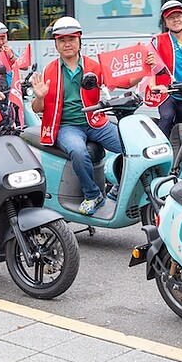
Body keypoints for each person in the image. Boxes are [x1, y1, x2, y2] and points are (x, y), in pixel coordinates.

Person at [30, 16, 123, 216]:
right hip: (67, 126)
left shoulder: (94, 66)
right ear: (56, 44)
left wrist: (144, 70)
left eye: (71, 39)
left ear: (80, 41)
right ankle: (93, 194)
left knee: (128, 146)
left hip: (95, 121)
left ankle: (120, 185)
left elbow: (122, 81)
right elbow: (37, 108)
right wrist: (40, 97)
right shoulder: (49, 70)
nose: (67, 44)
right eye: (62, 40)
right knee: (78, 152)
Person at [147, 0, 182, 138]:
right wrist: (154, 86)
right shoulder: (157, 41)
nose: (176, 20)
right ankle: (160, 146)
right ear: (165, 23)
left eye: (179, 16)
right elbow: (150, 66)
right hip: (167, 93)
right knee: (167, 117)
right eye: (171, 17)